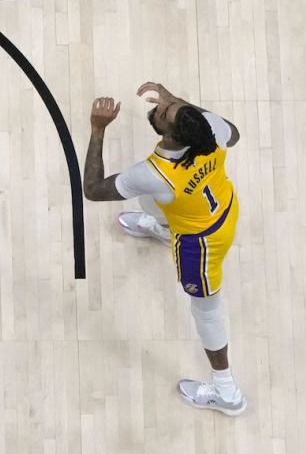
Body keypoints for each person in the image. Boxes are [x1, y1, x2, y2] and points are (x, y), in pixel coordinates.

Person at [81, 82, 247, 416]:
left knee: (206, 313)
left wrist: (97, 130)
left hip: (200, 245)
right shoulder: (210, 130)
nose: (161, 106)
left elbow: (94, 189)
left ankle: (228, 393)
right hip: (222, 208)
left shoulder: (155, 173)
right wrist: (180, 104)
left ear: (169, 136)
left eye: (165, 112)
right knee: (153, 198)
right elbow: (236, 133)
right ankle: (162, 227)